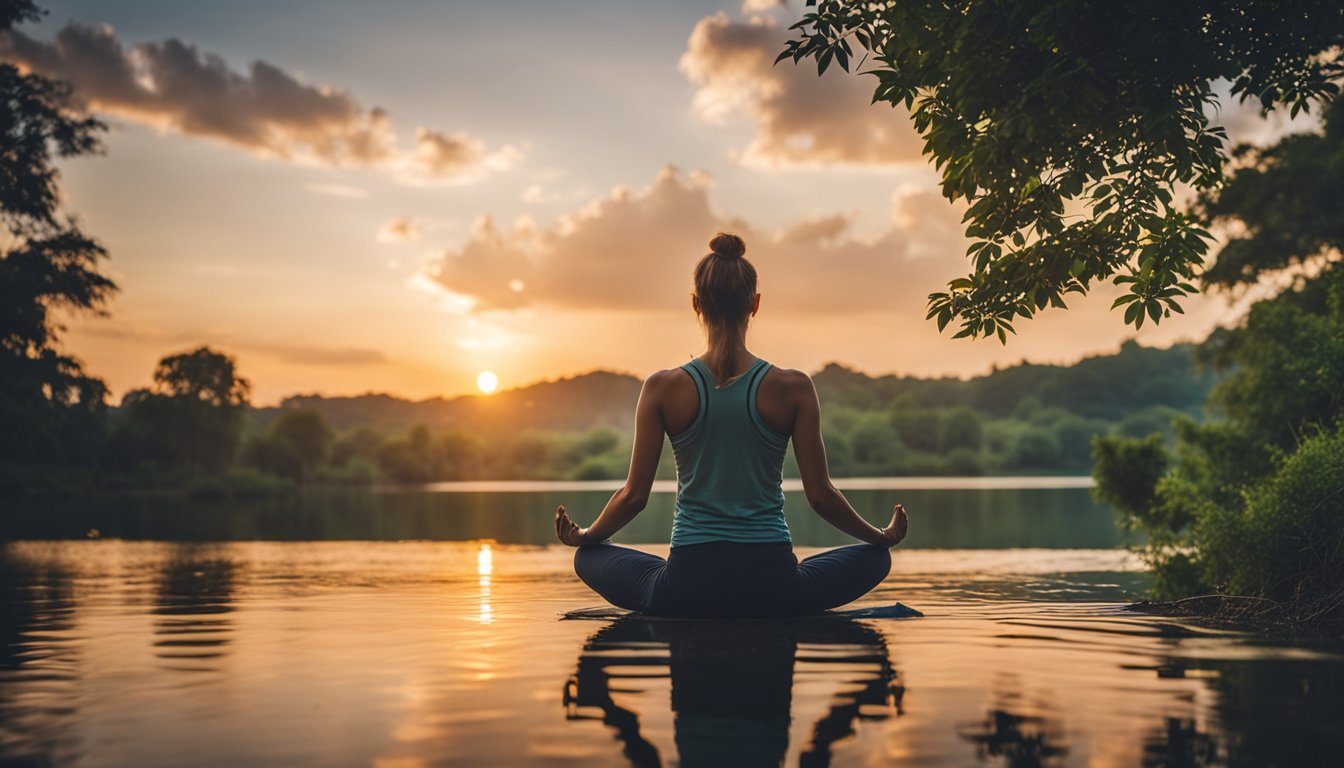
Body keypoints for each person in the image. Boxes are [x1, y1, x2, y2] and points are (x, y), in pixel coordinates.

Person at [554, 232, 909, 618]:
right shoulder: (794, 387)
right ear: (755, 304)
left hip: (688, 585)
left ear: (696, 305)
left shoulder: (662, 388)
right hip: (773, 584)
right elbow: (821, 496)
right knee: (877, 559)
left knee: (586, 558)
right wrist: (882, 536)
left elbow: (634, 497)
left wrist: (585, 536)